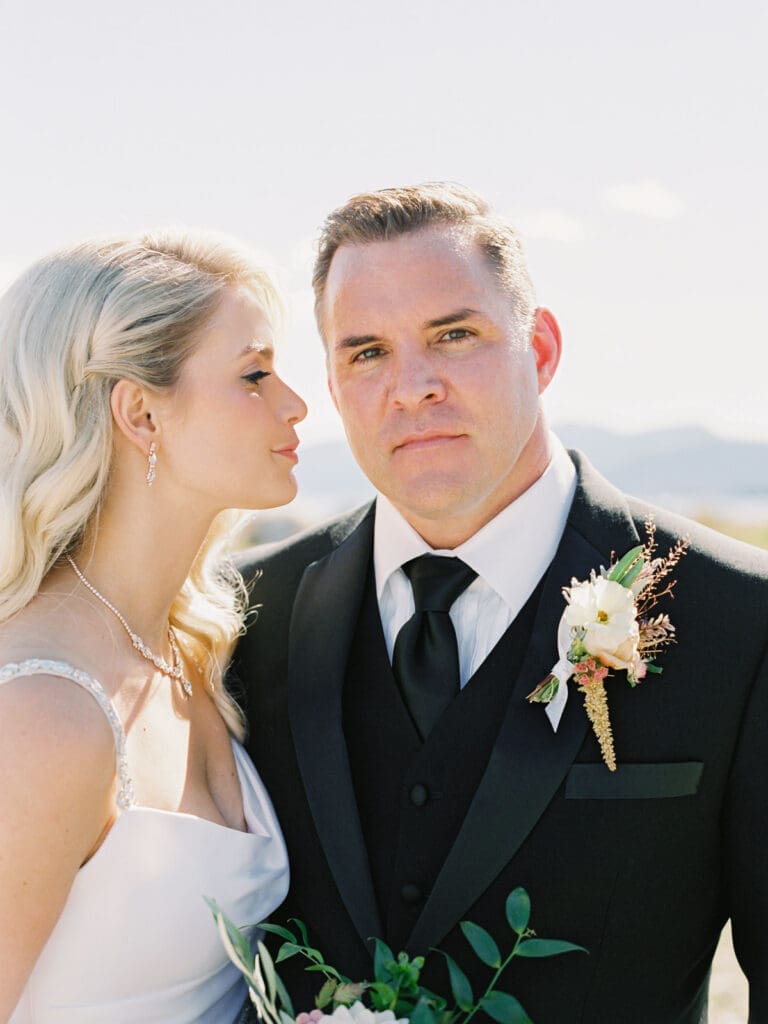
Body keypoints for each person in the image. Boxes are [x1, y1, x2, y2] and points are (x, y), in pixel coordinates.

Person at [233, 183, 768, 1023]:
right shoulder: (244, 614)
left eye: (454, 335)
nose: (411, 387)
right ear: (333, 384)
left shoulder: (743, 621)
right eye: (366, 351)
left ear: (542, 347)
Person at [0, 230, 306, 1024]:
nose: (295, 404)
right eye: (254, 375)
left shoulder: (191, 645)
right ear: (140, 412)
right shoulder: (42, 714)